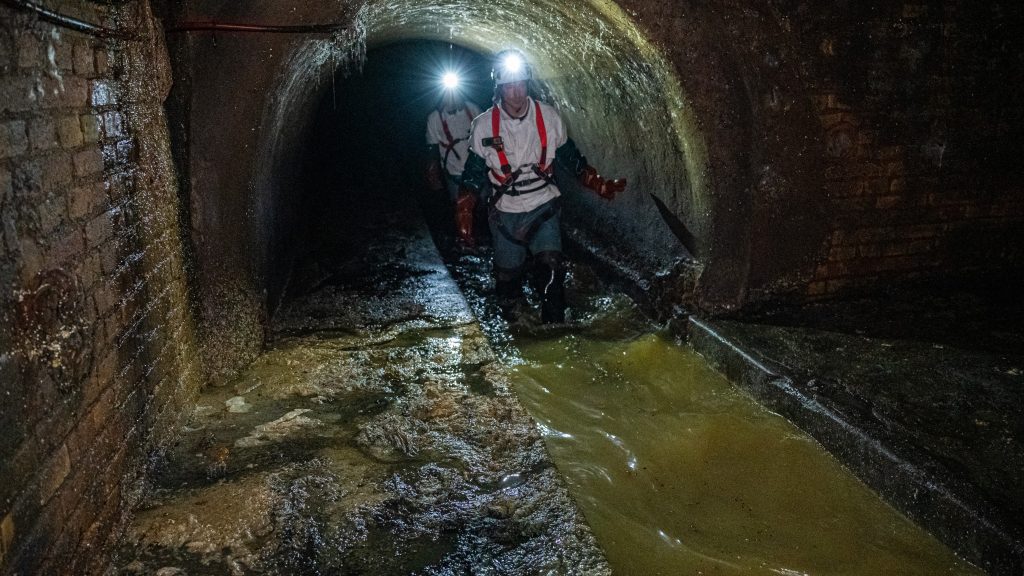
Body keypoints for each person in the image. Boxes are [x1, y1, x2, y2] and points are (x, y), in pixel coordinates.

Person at [457, 49, 626, 323]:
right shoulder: (484, 126)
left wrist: (597, 184)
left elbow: (572, 159)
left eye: (521, 84)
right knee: (508, 281)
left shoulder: (548, 117)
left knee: (552, 269)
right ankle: (516, 326)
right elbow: (473, 173)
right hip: (506, 211)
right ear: (499, 88)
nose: (516, 92)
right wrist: (464, 210)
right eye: (509, 86)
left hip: (543, 205)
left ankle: (554, 332)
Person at [425, 74, 482, 249]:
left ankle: (479, 238)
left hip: (477, 170)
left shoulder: (473, 110)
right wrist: (433, 173)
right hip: (454, 172)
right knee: (460, 207)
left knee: (480, 205)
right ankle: (462, 239)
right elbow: (432, 148)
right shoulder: (435, 118)